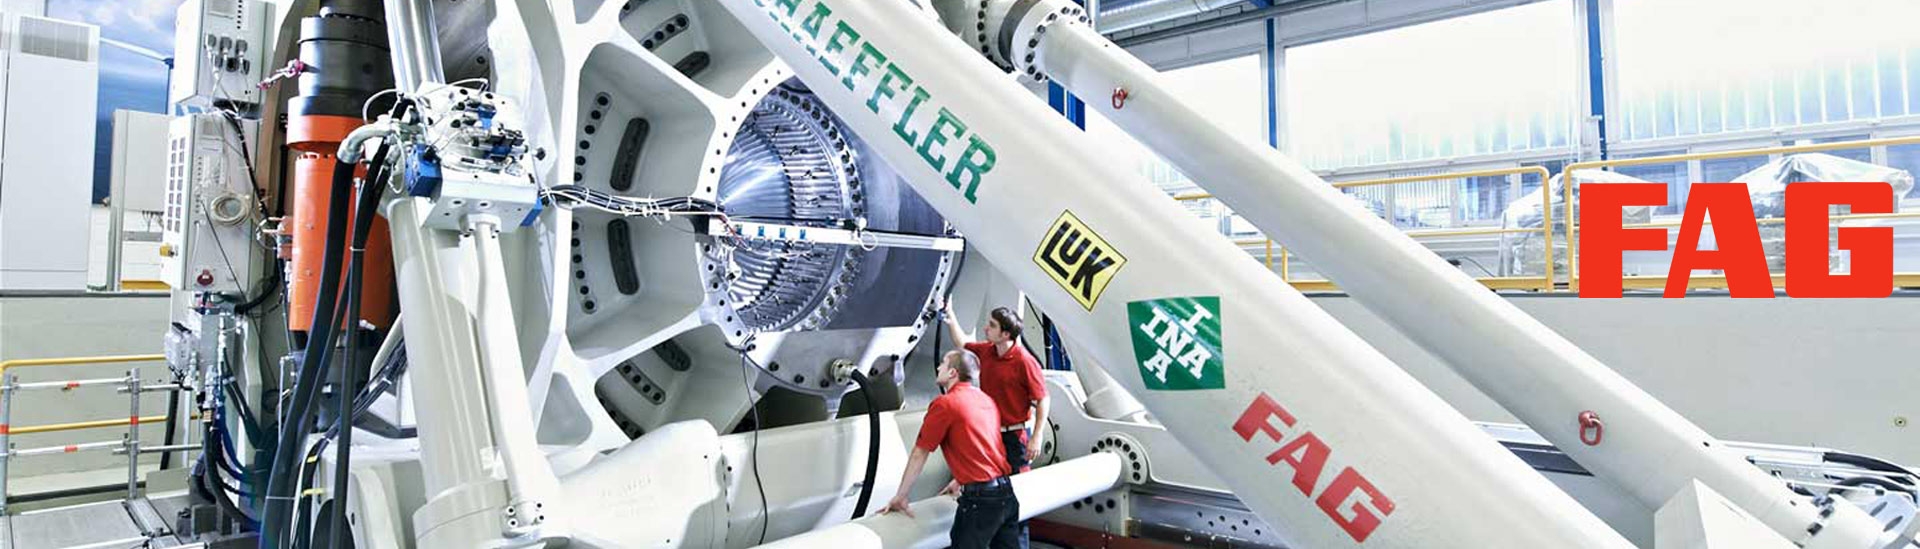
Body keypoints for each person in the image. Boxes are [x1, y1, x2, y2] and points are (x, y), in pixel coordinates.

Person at [881, 351, 1022, 549]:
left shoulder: (945, 404)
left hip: (980, 502)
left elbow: (920, 453)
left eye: (943, 363)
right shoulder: (985, 400)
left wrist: (901, 496)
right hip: (1006, 495)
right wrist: (960, 480)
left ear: (952, 373)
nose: (938, 367)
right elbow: (984, 446)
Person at [940, 299, 1049, 474]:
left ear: (1005, 334)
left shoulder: (1024, 361)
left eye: (992, 325)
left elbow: (1043, 399)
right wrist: (950, 315)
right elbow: (962, 344)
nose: (986, 328)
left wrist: (1037, 436)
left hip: (1014, 436)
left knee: (1019, 481)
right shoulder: (987, 351)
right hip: (989, 433)